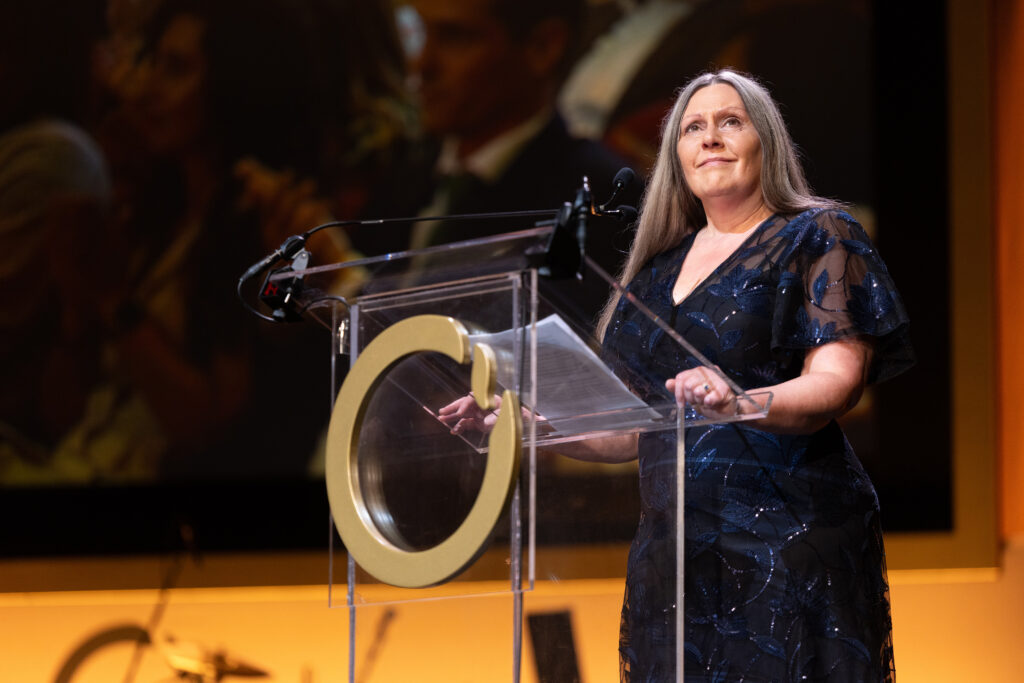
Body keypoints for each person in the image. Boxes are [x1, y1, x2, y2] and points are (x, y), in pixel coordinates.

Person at [441, 69, 911, 681]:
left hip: (786, 545)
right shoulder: (655, 273)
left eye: (730, 122)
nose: (710, 137)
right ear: (677, 156)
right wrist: (529, 424)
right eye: (693, 128)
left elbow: (836, 382)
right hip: (676, 560)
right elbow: (630, 428)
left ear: (765, 141)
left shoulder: (815, 234)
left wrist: (737, 401)